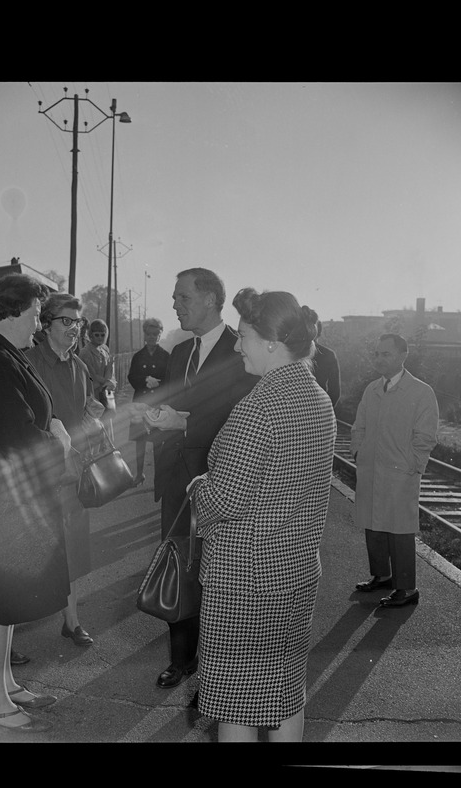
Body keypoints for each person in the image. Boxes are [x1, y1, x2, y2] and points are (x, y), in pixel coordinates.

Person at [189, 288, 336, 743]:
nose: (237, 345)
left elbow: (224, 499)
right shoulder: (317, 399)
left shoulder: (259, 407)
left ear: (272, 343)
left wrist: (197, 488)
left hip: (246, 582)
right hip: (294, 572)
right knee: (285, 693)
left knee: (238, 702)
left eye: (245, 336)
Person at [0, 273, 73, 733]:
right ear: (10, 312)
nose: (39, 324)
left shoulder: (2, 351)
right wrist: (58, 442)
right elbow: (16, 434)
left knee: (6, 599)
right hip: (0, 499)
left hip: (7, 495)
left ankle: (4, 684)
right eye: (33, 315)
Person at [141, 267, 257, 690]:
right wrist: (156, 419)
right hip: (177, 479)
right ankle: (181, 659)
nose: (175, 305)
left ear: (210, 299)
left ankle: (215, 667)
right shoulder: (178, 352)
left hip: (220, 483)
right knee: (179, 566)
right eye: (175, 298)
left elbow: (240, 417)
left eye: (182, 297)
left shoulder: (242, 349)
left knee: (218, 575)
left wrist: (184, 426)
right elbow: (170, 406)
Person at [25, 292, 104, 647]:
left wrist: (93, 414)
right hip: (37, 474)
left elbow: (86, 409)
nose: (75, 329)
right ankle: (3, 638)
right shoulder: (27, 362)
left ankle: (71, 621)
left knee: (70, 548)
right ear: (46, 324)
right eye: (67, 321)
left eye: (79, 322)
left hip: (72, 473)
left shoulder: (80, 366)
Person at [350, 333, 439, 608]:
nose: (378, 359)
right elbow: (359, 426)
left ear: (402, 357)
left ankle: (407, 588)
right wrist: (358, 453)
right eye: (376, 354)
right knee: (373, 524)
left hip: (401, 472)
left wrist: (413, 464)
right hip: (372, 468)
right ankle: (382, 575)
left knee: (399, 529)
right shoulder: (372, 389)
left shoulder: (421, 392)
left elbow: (426, 436)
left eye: (385, 354)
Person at [126, 317, 170, 486]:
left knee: (158, 441)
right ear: (144, 334)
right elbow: (131, 376)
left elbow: (170, 380)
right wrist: (144, 380)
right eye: (148, 334)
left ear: (160, 335)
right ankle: (139, 474)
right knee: (140, 440)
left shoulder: (166, 356)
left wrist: (158, 383)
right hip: (140, 403)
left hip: (157, 403)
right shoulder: (138, 356)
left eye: (155, 334)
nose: (151, 337)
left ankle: (158, 476)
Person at [310, 320, 341, 408]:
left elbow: (334, 391)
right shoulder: (328, 354)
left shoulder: (293, 354)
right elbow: (335, 392)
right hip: (320, 409)